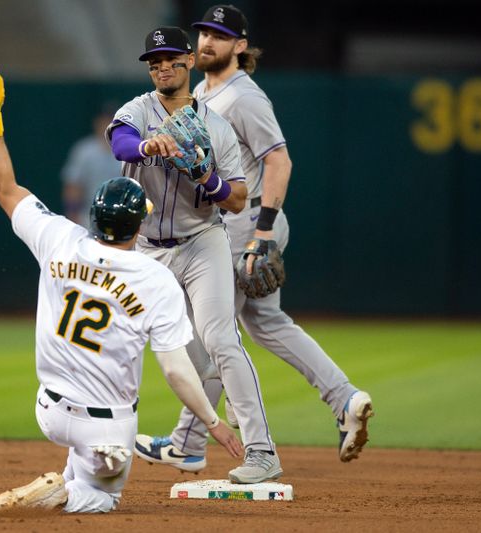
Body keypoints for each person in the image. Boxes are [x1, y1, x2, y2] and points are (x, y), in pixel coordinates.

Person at [0, 57, 243, 515]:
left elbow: (3, 186)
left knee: (82, 450)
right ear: (139, 225)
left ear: (95, 215)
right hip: (109, 428)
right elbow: (176, 372)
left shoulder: (57, 238)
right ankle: (66, 491)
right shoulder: (155, 278)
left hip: (49, 412)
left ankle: (75, 470)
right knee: (101, 495)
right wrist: (213, 423)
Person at [135, 5, 374, 470]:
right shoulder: (202, 90)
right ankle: (344, 398)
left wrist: (263, 230)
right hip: (234, 227)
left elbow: (278, 161)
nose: (207, 42)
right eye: (204, 33)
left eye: (219, 37)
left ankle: (191, 443)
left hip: (245, 227)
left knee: (214, 334)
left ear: (240, 47)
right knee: (264, 325)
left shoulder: (244, 97)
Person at [106, 27, 282, 484]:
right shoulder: (137, 110)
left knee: (222, 340)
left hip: (203, 241)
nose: (162, 66)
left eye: (169, 58)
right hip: (148, 252)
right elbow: (121, 143)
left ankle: (262, 452)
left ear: (187, 60)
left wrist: (207, 178)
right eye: (153, 61)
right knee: (193, 362)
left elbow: (239, 199)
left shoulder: (218, 127)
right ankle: (184, 447)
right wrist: (149, 144)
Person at [61, 103, 123, 224]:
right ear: (97, 122)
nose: (108, 124)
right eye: (104, 120)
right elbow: (73, 186)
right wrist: (72, 216)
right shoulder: (84, 150)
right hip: (90, 217)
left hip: (124, 217)